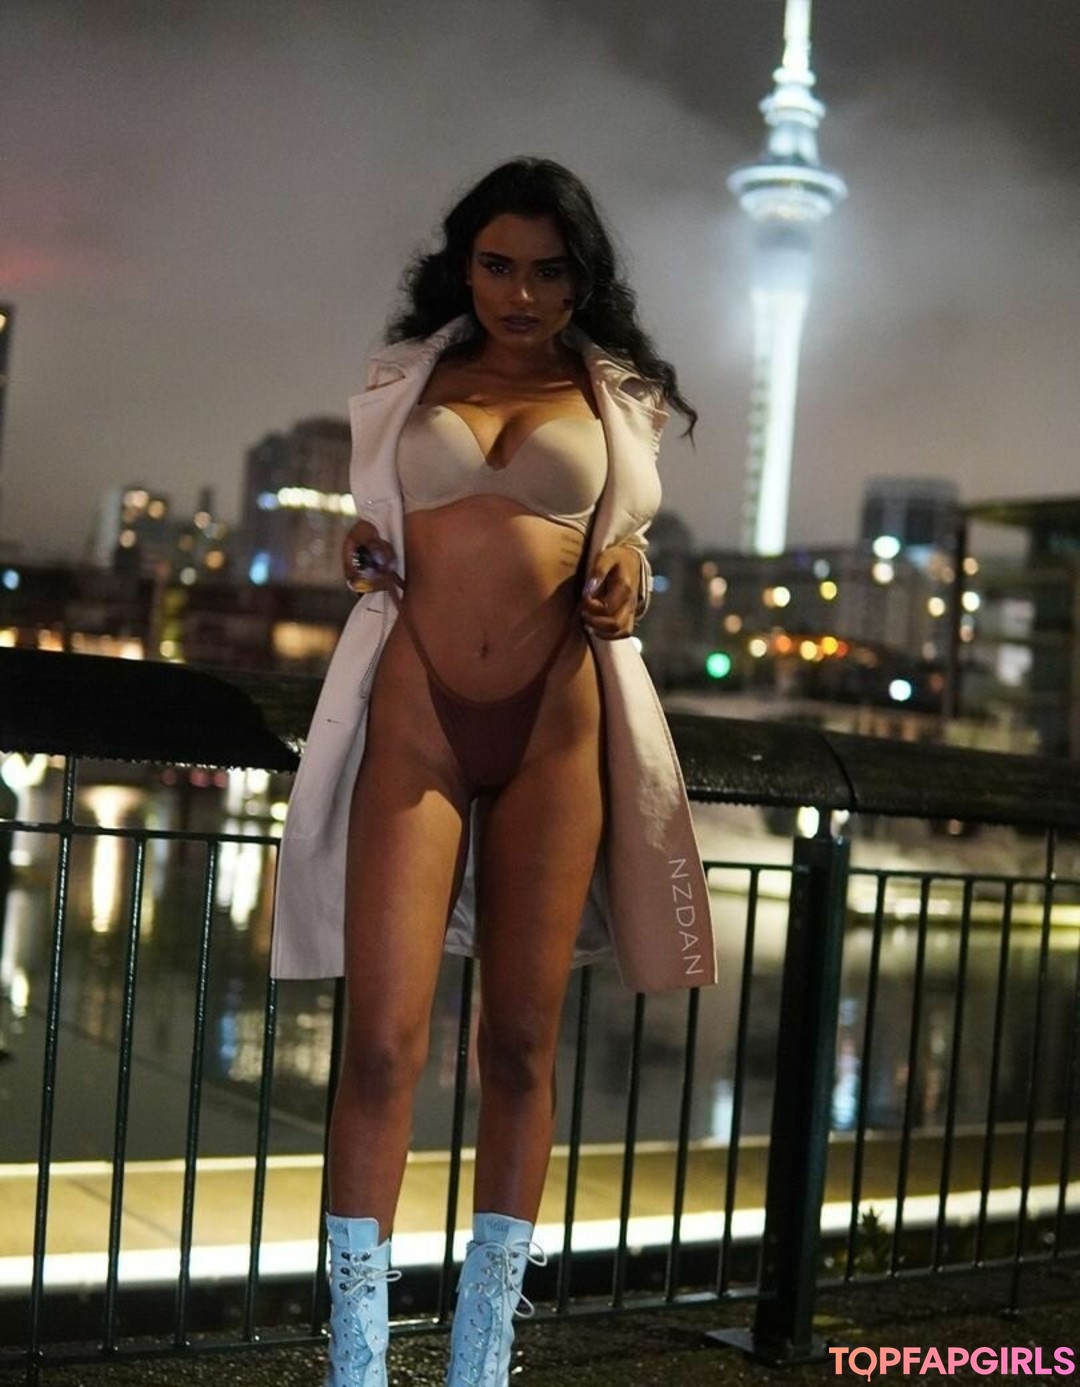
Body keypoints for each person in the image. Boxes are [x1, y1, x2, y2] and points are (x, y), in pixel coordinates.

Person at [270, 157, 716, 1387]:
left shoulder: (615, 396)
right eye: (498, 265)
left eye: (549, 271)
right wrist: (362, 543)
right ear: (462, 266)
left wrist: (633, 571)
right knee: (381, 1046)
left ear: (582, 279)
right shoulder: (406, 378)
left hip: (554, 729)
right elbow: (379, 520)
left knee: (519, 1046)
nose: (521, 293)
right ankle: (358, 1361)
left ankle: (481, 1353)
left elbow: (624, 543)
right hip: (416, 717)